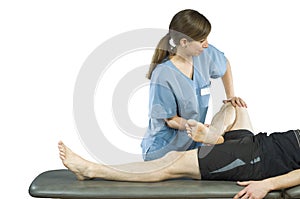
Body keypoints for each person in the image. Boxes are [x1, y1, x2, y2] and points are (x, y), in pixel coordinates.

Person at [59, 103, 300, 199]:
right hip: (261, 143)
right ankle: (213, 137)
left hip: (256, 161)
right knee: (235, 106)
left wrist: (267, 184)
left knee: (172, 163)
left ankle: (90, 170)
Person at [141, 9, 247, 161]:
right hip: (165, 150)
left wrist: (231, 96)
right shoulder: (163, 74)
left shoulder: (204, 54)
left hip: (194, 143)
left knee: (235, 110)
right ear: (184, 42)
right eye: (202, 40)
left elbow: (225, 64)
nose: (206, 44)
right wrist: (199, 128)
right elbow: (170, 120)